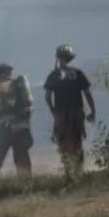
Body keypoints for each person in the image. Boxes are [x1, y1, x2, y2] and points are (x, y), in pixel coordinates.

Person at [43, 43, 97, 178]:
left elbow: (47, 97)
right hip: (76, 112)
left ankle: (69, 172)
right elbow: (87, 94)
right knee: (77, 141)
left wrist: (53, 112)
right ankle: (78, 172)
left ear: (58, 57)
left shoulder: (54, 74)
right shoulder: (78, 73)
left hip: (62, 113)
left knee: (63, 141)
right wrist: (92, 111)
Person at [0, 63, 33, 176]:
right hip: (21, 126)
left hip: (6, 126)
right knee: (21, 157)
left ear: (0, 75)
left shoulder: (1, 87)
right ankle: (26, 182)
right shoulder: (16, 86)